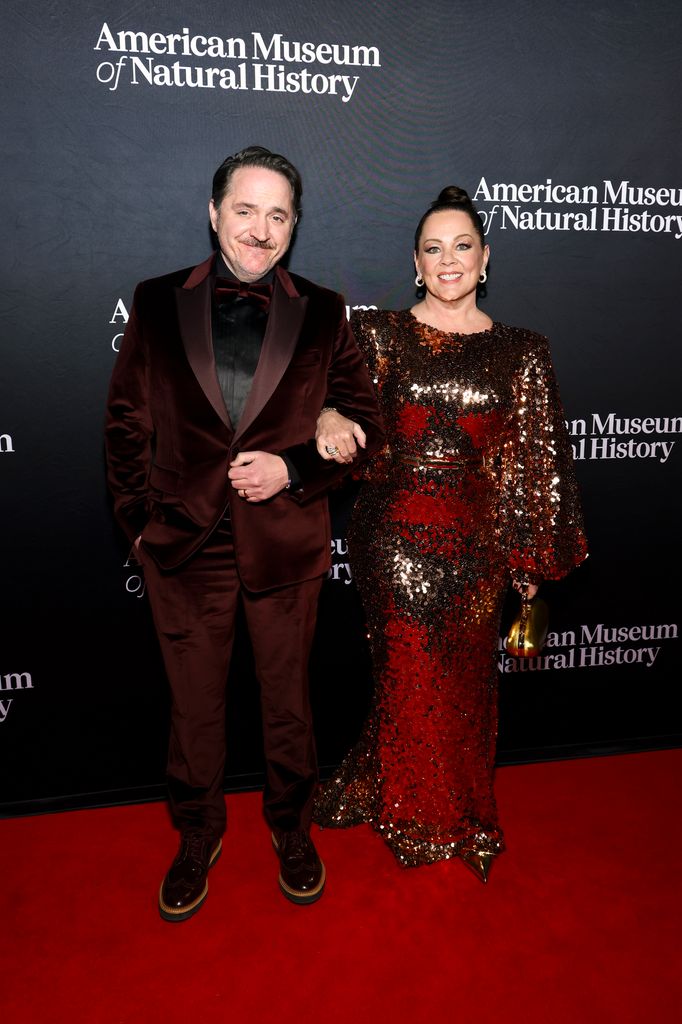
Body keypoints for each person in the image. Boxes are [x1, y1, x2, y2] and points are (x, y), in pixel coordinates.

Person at [105, 146, 384, 919]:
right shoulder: (156, 301)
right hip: (183, 546)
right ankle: (197, 835)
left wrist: (294, 469)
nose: (260, 231)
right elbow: (127, 424)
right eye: (245, 209)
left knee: (288, 704)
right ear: (213, 211)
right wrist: (138, 529)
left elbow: (366, 424)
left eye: (278, 215)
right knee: (194, 708)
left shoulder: (326, 311)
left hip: (285, 545)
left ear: (294, 227)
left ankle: (291, 829)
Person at [313, 186, 587, 881]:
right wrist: (325, 421)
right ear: (415, 262)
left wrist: (529, 556)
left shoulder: (523, 351)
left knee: (466, 681)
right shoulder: (378, 333)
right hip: (393, 535)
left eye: (462, 245)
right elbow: (329, 404)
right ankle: (423, 817)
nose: (449, 260)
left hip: (479, 543)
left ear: (486, 257)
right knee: (409, 673)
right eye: (433, 248)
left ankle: (452, 797)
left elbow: (535, 458)